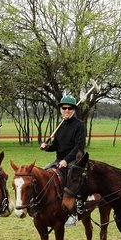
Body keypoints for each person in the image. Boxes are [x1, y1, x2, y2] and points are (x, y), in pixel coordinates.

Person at [40, 95, 87, 226]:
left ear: (74, 110)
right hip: (59, 159)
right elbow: (56, 146)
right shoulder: (60, 125)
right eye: (64, 108)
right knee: (42, 173)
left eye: (69, 108)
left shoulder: (80, 125)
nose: (66, 110)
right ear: (60, 109)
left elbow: (79, 147)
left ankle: (73, 213)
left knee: (71, 180)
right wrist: (47, 147)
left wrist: (66, 160)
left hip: (74, 160)